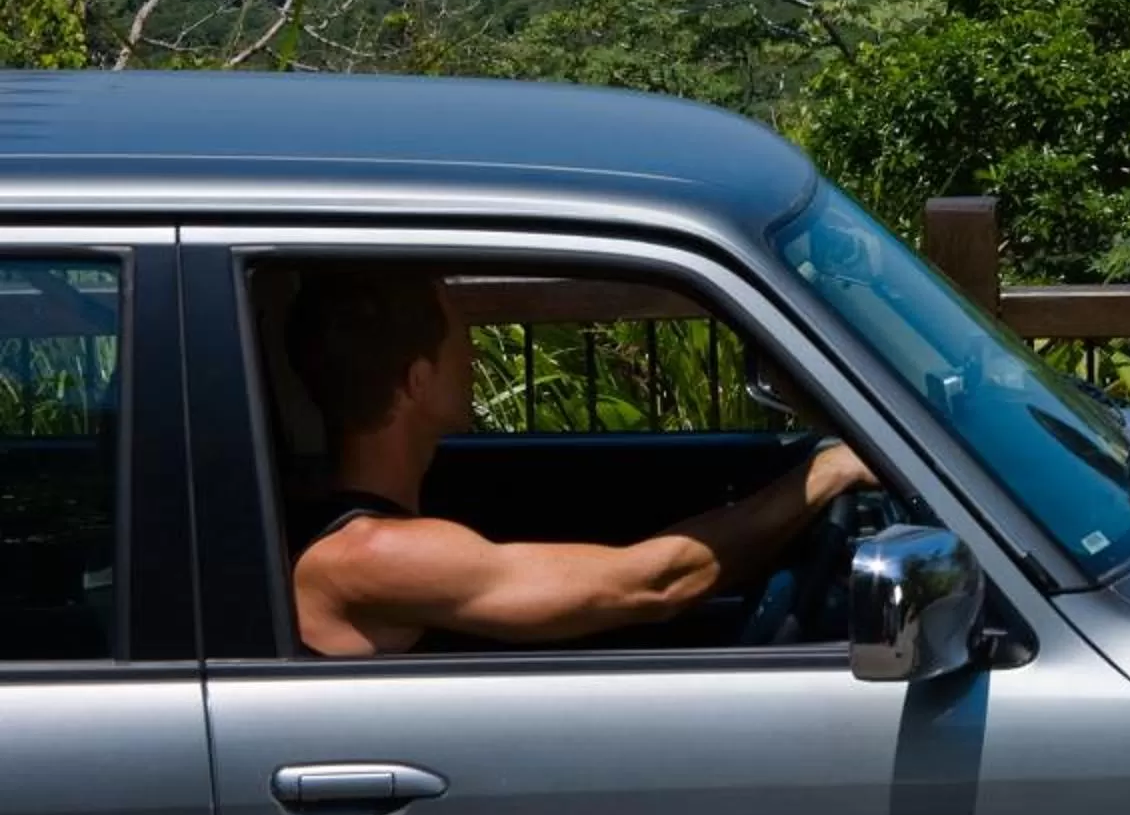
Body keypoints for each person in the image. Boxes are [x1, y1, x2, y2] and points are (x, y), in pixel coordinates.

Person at [284, 265, 872, 657]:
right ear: (417, 380)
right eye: (461, 338)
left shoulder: (342, 523)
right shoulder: (375, 556)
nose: (472, 354)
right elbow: (653, 586)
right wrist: (825, 474)